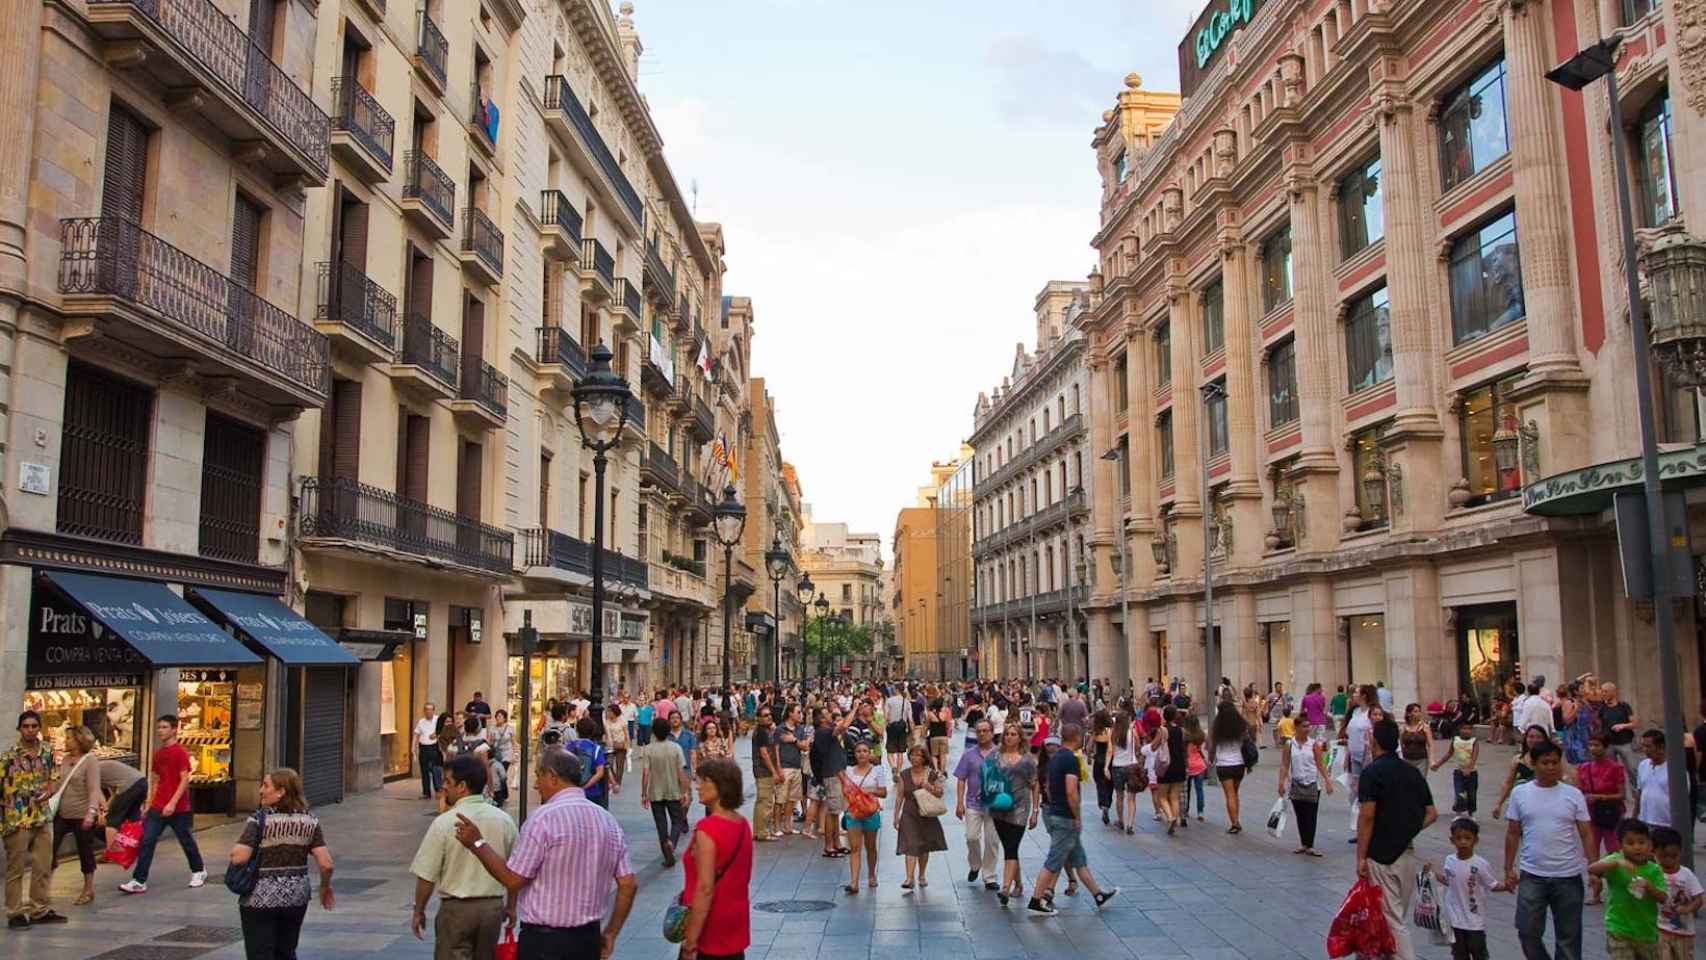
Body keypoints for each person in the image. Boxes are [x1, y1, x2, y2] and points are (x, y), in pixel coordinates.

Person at [453, 747, 638, 959]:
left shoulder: (543, 819)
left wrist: (477, 843)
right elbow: (628, 884)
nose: (535, 785)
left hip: (545, 943)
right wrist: (611, 933)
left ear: (552, 776)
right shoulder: (606, 820)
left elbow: (513, 880)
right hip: (588, 939)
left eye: (538, 776)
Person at [410, 755, 517, 960]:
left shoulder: (444, 822)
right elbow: (515, 871)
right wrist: (511, 906)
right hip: (491, 909)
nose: (443, 787)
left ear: (462, 787)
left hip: (456, 910)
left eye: (448, 782)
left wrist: (419, 910)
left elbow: (426, 875)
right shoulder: (504, 820)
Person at [228, 768, 335, 960]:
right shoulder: (309, 821)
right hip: (296, 898)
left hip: (259, 898)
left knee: (260, 953)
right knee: (286, 951)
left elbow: (239, 857)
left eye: (266, 786)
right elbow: (326, 864)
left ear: (281, 791)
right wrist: (325, 887)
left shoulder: (260, 820)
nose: (261, 790)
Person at [1502, 737, 1594, 960]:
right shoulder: (1520, 793)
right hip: (1533, 875)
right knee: (1527, 931)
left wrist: (1594, 867)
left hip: (1568, 876)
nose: (1551, 767)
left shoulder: (1573, 795)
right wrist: (1508, 868)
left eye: (1555, 762)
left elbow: (1586, 833)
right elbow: (1513, 833)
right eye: (1545, 762)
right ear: (1533, 764)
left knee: (1569, 938)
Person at [1356, 717, 1437, 960]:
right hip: (1406, 853)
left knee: (1392, 919)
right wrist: (1406, 830)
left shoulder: (1372, 772)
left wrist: (1361, 856)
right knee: (1394, 912)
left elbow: (1367, 815)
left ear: (1375, 741)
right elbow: (1431, 813)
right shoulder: (1411, 772)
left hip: (1381, 855)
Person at [1027, 723, 1118, 916]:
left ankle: (1098, 895)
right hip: (1065, 817)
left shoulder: (1056, 758)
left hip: (1057, 812)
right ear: (1077, 737)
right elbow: (1071, 790)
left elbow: (1048, 786)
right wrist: (1076, 816)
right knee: (1054, 860)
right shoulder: (1070, 759)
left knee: (1079, 859)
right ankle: (1036, 899)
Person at [120, 715, 207, 894]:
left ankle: (198, 870)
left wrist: (173, 803)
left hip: (178, 807)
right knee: (147, 840)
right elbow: (157, 779)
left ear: (174, 729)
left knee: (186, 840)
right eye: (159, 727)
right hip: (158, 806)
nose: (161, 731)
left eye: (165, 727)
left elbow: (184, 780)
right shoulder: (158, 754)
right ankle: (139, 880)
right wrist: (149, 803)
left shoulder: (180, 753)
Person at [678, 757, 753, 960]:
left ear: (719, 786)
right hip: (735, 922)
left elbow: (705, 887)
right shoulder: (743, 824)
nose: (697, 787)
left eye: (703, 781)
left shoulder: (707, 828)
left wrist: (691, 942)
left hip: (709, 926)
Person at [2, 711, 64, 928]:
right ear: (19, 728)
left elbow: (54, 777)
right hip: (18, 818)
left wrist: (50, 790)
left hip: (41, 815)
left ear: (39, 728)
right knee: (16, 867)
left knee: (43, 864)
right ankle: (14, 911)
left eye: (34, 726)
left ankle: (40, 908)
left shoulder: (47, 751)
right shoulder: (9, 757)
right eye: (26, 726)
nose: (30, 730)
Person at [1587, 819, 1668, 960]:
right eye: (1630, 843)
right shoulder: (1616, 860)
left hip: (1646, 932)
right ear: (1621, 845)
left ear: (1649, 844)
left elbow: (1663, 898)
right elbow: (1592, 868)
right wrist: (1616, 863)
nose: (1636, 847)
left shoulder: (1654, 869)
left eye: (1641, 842)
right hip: (1619, 928)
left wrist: (1648, 886)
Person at [1423, 818, 1498, 960]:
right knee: (1459, 954)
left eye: (1467, 838)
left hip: (1475, 921)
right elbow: (1448, 880)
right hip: (1455, 919)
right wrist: (1431, 872)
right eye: (1458, 838)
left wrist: (1507, 885)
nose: (1463, 842)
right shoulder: (1449, 860)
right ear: (1452, 840)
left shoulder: (1481, 864)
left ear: (1475, 840)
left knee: (1479, 953)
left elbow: (1492, 884)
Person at [47, 725, 102, 908]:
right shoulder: (65, 759)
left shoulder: (90, 761)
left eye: (69, 738)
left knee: (85, 851)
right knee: (49, 849)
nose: (66, 741)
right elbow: (59, 784)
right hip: (62, 812)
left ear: (79, 740)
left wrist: (92, 812)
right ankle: (44, 889)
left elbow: (94, 789)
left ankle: (88, 889)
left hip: (82, 813)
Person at [988, 724, 1039, 907]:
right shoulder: (995, 756)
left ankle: (1005, 888)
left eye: (1013, 734)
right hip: (999, 808)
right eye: (1007, 734)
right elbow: (987, 777)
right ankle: (1018, 882)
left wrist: (1035, 812)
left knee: (1011, 846)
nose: (1009, 737)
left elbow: (1035, 785)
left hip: (1019, 809)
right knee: (1010, 847)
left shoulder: (1027, 761)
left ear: (1019, 738)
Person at [1576, 733, 1627, 903]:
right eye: (1591, 745)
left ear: (1605, 747)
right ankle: (1595, 891)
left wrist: (1600, 797)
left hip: (1611, 815)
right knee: (1592, 854)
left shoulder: (1615, 768)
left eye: (1597, 745)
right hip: (1591, 815)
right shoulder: (1584, 768)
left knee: (1614, 851)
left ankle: (1617, 888)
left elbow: (1621, 795)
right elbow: (1579, 790)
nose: (1593, 748)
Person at [953, 719, 1000, 889]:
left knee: (992, 841)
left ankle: (990, 876)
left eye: (985, 730)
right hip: (973, 803)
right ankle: (975, 864)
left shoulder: (1000, 754)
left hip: (995, 805)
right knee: (971, 837)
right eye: (979, 731)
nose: (982, 734)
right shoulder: (969, 754)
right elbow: (961, 779)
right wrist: (959, 802)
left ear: (992, 732)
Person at [1278, 712, 1333, 856]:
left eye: (1308, 726)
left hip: (1312, 784)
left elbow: (1320, 764)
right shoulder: (1290, 745)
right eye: (1304, 726)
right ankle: (1304, 843)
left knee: (1311, 815)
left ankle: (1310, 845)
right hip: (1296, 784)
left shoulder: (1313, 744)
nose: (1307, 729)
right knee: (1300, 815)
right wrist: (1281, 782)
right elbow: (1284, 764)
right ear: (1296, 727)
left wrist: (1327, 781)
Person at [638, 717, 690, 866]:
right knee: (677, 820)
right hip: (673, 790)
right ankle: (672, 843)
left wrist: (644, 793)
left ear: (654, 732)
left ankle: (667, 855)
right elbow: (681, 772)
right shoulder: (675, 748)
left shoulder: (648, 749)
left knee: (661, 824)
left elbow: (646, 773)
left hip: (655, 792)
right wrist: (685, 791)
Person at [894, 744, 947, 890]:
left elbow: (940, 793)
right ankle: (909, 878)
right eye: (912, 754)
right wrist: (896, 815)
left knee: (924, 845)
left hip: (926, 813)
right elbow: (899, 796)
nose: (915, 758)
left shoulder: (931, 774)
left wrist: (929, 787)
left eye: (919, 755)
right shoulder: (904, 774)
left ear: (924, 758)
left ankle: (921, 874)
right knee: (910, 844)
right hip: (909, 813)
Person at [841, 741, 889, 894]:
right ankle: (854, 882)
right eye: (858, 751)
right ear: (854, 754)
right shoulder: (848, 771)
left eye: (864, 751)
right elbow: (845, 791)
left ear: (870, 753)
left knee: (871, 847)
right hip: (853, 813)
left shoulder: (877, 771)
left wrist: (870, 791)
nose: (861, 754)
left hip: (870, 812)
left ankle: (871, 874)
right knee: (854, 848)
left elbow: (884, 792)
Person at [1654, 826, 1703, 960]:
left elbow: (1699, 899)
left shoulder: (1686, 874)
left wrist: (1687, 908)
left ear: (1680, 852)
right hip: (1660, 928)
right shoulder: (1654, 873)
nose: (1669, 860)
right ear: (1654, 853)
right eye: (1663, 857)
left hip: (1684, 932)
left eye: (1673, 856)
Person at [811, 707, 851, 857]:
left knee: (835, 811)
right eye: (828, 713)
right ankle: (829, 846)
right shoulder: (823, 732)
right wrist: (854, 708)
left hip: (836, 773)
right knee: (832, 811)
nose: (831, 715)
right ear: (821, 719)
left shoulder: (827, 731)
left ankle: (837, 843)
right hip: (831, 774)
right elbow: (844, 726)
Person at [1208, 700, 1249, 833]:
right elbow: (1246, 742)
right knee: (1235, 793)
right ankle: (1237, 819)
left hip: (1224, 764)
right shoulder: (1241, 725)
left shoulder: (1217, 727)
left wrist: (1210, 760)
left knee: (1229, 794)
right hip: (1239, 764)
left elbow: (1212, 747)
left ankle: (1235, 823)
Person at [1494, 725, 1551, 820]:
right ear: (1526, 739)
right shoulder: (1518, 759)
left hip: (1544, 802)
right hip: (1522, 802)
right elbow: (1508, 783)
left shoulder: (1552, 759)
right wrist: (1498, 804)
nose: (1535, 740)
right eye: (1531, 737)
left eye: (1539, 737)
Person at [1435, 720, 1481, 821]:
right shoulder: (1455, 740)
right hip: (1459, 772)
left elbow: (1474, 756)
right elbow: (1449, 753)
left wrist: (1469, 769)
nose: (1466, 731)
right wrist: (1438, 764)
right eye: (1464, 728)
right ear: (1459, 729)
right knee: (1459, 792)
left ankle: (1471, 813)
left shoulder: (1474, 741)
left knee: (1471, 794)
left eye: (1469, 729)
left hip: (1472, 773)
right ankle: (1458, 812)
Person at [564, 716, 611, 810]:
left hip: (570, 792)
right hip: (591, 792)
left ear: (577, 730)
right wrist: (585, 786)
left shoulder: (568, 747)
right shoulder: (595, 748)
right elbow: (600, 772)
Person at [1107, 709, 1140, 834]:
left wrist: (1106, 767)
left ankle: (1121, 820)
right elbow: (1137, 747)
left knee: (1119, 795)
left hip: (1117, 766)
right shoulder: (1132, 732)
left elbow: (1110, 751)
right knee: (1131, 797)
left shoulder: (1114, 734)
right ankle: (1130, 824)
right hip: (1131, 766)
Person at [750, 707, 781, 841]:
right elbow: (764, 753)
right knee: (767, 802)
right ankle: (763, 832)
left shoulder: (763, 730)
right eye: (765, 715)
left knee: (761, 802)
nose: (769, 717)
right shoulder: (762, 732)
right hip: (764, 771)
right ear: (759, 718)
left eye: (770, 715)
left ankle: (759, 830)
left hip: (760, 770)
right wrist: (774, 772)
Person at [777, 705, 808, 836]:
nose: (800, 715)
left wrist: (794, 739)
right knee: (780, 799)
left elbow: (805, 747)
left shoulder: (800, 729)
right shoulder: (780, 729)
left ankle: (787, 826)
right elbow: (776, 750)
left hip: (796, 767)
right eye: (798, 712)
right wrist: (778, 769)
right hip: (785, 766)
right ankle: (776, 826)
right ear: (790, 714)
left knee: (792, 799)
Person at [1637, 729, 1674, 828]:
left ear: (1661, 747)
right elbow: (1639, 792)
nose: (1644, 749)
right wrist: (1635, 816)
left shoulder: (1674, 769)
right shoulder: (1643, 765)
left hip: (1666, 823)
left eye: (1648, 746)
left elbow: (1682, 799)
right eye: (1643, 746)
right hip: (1644, 821)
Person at [486, 709, 515, 806]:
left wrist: (516, 753)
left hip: (507, 753)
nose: (498, 718)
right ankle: (504, 793)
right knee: (498, 775)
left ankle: (501, 795)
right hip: (496, 754)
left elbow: (514, 742)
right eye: (497, 716)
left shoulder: (510, 728)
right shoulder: (492, 728)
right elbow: (489, 742)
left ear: (505, 718)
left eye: (500, 716)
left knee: (502, 773)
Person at [416, 703, 442, 799]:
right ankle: (426, 792)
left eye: (430, 709)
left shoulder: (437, 720)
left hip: (434, 747)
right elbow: (416, 734)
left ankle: (438, 790)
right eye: (426, 709)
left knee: (435, 770)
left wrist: (436, 734)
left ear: (433, 711)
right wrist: (413, 748)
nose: (428, 711)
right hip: (423, 747)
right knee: (424, 770)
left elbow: (443, 729)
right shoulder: (421, 722)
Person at [1401, 703, 1434, 775]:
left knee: (1420, 781)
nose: (1418, 713)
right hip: (1407, 759)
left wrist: (1431, 760)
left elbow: (1430, 745)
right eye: (1415, 711)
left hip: (1421, 759)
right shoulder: (1403, 728)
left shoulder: (1425, 727)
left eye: (1419, 711)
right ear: (1409, 713)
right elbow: (1401, 745)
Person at [603, 704, 629, 793]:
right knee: (609, 763)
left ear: (615, 712)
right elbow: (607, 734)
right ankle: (613, 780)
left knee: (619, 765)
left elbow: (626, 734)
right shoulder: (607, 721)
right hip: (611, 745)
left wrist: (627, 745)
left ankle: (618, 783)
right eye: (608, 711)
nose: (608, 713)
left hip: (621, 744)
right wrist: (609, 743)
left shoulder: (622, 720)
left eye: (610, 711)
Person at [927, 699, 951, 774]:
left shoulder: (930, 714)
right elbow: (947, 725)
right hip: (943, 736)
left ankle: (936, 769)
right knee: (943, 755)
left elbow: (927, 725)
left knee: (934, 754)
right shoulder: (945, 714)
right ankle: (942, 771)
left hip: (934, 736)